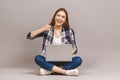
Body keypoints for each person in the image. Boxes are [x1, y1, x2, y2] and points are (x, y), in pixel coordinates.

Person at [27, 8, 82, 76]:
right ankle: (65, 72)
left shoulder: (69, 31)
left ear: (65, 20)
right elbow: (29, 36)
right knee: (38, 58)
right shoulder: (47, 29)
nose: (60, 18)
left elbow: (75, 49)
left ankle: (50, 70)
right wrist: (43, 28)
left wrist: (66, 52)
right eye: (58, 15)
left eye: (63, 17)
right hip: (49, 60)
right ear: (54, 17)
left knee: (78, 60)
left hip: (64, 61)